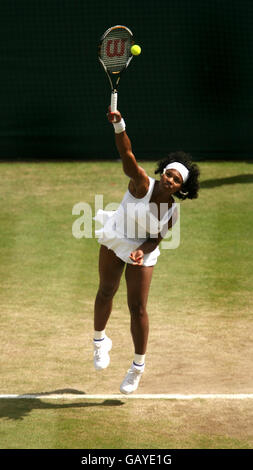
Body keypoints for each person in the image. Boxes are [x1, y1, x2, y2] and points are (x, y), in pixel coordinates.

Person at [93, 109, 200, 394]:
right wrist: (120, 126)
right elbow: (127, 154)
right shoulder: (141, 183)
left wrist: (142, 251)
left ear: (182, 188)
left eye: (176, 180)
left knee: (137, 308)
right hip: (116, 236)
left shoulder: (172, 212)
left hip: (142, 249)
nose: (170, 180)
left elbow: (156, 239)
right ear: (162, 172)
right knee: (105, 290)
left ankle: (137, 367)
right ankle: (100, 342)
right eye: (168, 174)